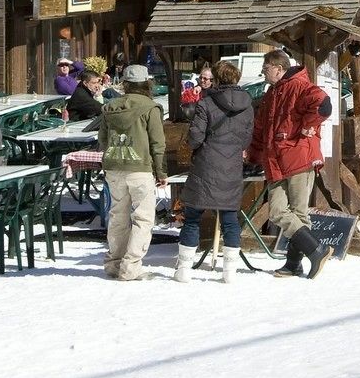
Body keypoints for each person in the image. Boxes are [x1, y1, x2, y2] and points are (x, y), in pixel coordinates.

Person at [247, 49, 334, 279]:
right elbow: (260, 131)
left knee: (298, 212)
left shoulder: (298, 85)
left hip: (298, 157)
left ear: (278, 68)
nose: (263, 73)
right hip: (276, 161)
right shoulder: (271, 94)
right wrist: (252, 157)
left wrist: (309, 123)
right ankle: (316, 250)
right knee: (277, 211)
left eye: (266, 69)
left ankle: (293, 264)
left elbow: (323, 104)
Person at [176, 60, 253, 284]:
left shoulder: (206, 103)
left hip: (205, 165)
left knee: (192, 219)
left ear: (217, 79)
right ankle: (229, 272)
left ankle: (184, 270)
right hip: (231, 166)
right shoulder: (248, 105)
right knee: (230, 219)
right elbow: (247, 138)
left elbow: (195, 138)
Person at [96, 64, 166, 281]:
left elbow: (103, 140)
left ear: (125, 84)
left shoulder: (109, 107)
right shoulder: (150, 108)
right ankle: (131, 266)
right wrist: (161, 171)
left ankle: (113, 263)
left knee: (117, 215)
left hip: (114, 166)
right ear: (147, 82)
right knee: (143, 218)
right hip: (140, 168)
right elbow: (158, 143)